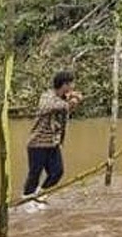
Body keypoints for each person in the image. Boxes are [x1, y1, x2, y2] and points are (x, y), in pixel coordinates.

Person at [23, 70, 82, 212]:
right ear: (65, 85)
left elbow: (73, 103)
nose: (73, 86)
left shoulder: (63, 98)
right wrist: (70, 102)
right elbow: (48, 106)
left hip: (53, 143)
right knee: (34, 174)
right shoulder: (47, 96)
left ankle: (40, 195)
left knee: (57, 172)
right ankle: (27, 200)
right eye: (71, 83)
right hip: (38, 143)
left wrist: (73, 99)